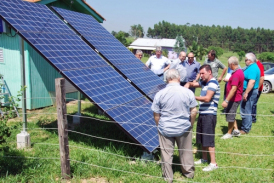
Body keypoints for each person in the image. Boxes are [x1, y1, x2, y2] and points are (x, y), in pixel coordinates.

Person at [151, 69, 198, 181]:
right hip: (184, 127)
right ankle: (189, 173)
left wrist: (159, 126)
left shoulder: (159, 94)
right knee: (186, 151)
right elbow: (194, 111)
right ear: (179, 78)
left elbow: (156, 114)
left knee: (166, 154)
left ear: (167, 79)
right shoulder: (188, 92)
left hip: (165, 128)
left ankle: (168, 177)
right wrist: (190, 124)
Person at [184, 64, 220, 172]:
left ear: (210, 72)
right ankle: (204, 159)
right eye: (200, 73)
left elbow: (207, 98)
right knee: (202, 138)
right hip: (203, 113)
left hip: (209, 115)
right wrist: (188, 84)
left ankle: (213, 163)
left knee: (208, 139)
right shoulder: (205, 83)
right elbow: (193, 84)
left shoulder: (213, 83)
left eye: (203, 73)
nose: (201, 75)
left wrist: (191, 96)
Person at [221, 56, 244, 139]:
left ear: (231, 64)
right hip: (235, 98)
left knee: (230, 115)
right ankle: (236, 129)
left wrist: (226, 100)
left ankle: (229, 133)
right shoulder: (239, 71)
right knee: (231, 114)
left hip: (234, 99)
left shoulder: (236, 74)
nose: (228, 66)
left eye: (228, 64)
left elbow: (234, 89)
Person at [239, 53, 260, 134]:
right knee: (246, 108)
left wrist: (246, 93)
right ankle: (246, 125)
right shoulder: (251, 67)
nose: (245, 61)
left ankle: (245, 128)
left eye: (246, 60)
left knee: (246, 109)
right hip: (248, 91)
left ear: (249, 60)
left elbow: (252, 82)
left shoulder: (253, 68)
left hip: (250, 91)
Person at [252, 55, 264, 123]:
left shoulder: (259, 65)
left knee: (253, 104)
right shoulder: (255, 64)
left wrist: (257, 88)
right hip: (254, 88)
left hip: (257, 89)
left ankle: (253, 118)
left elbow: (262, 78)